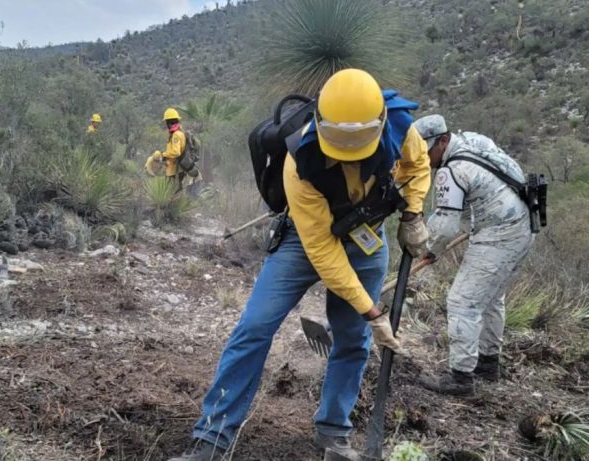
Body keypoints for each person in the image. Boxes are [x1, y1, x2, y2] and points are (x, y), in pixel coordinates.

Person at [169, 69, 431, 461]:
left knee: (353, 339)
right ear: (321, 124)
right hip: (304, 241)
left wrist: (412, 214)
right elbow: (323, 251)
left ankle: (333, 433)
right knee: (255, 326)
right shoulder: (300, 159)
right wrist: (372, 310)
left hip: (367, 238)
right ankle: (212, 438)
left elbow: (417, 165)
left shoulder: (399, 126)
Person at [413, 114, 533, 396]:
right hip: (523, 224)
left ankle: (461, 378)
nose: (423, 159)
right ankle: (488, 364)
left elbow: (444, 226)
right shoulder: (474, 140)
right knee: (490, 298)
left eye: (426, 151)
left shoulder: (450, 171)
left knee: (462, 300)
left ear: (443, 141)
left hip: (499, 234)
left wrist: (429, 250)